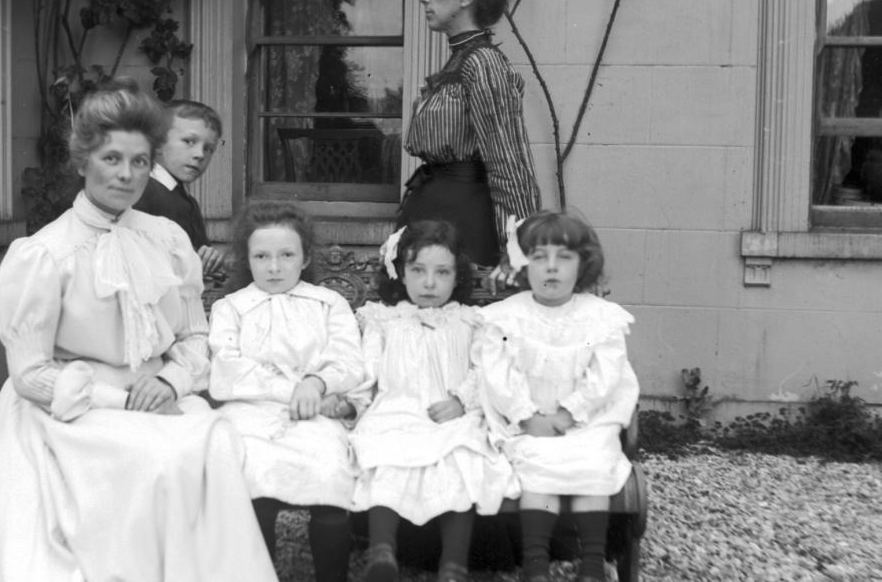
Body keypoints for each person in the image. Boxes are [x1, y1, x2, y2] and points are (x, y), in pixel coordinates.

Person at [0, 84, 276, 582]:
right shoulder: (44, 254)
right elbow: (29, 375)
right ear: (83, 162)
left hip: (157, 392)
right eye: (112, 158)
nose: (126, 175)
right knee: (158, 455)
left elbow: (193, 337)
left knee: (215, 443)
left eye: (140, 162)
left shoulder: (166, 240)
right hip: (68, 407)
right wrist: (120, 401)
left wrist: (170, 381)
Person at [346, 220, 518, 582]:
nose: (429, 283)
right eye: (418, 270)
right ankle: (382, 554)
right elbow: (365, 372)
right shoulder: (383, 320)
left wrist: (461, 400)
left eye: (442, 272)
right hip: (396, 409)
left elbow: (485, 369)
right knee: (384, 453)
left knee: (463, 457)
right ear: (400, 273)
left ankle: (453, 565)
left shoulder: (471, 320)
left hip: (451, 414)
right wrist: (350, 406)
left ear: (457, 277)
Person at [475, 210, 640, 582]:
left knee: (593, 464)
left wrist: (571, 413)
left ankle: (593, 563)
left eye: (563, 258)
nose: (552, 268)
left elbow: (606, 375)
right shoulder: (506, 318)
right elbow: (499, 374)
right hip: (529, 422)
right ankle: (536, 564)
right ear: (522, 266)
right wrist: (526, 415)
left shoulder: (600, 318)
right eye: (539, 257)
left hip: (586, 420)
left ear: (582, 266)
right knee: (539, 471)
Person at [208, 202, 369, 582]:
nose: (275, 267)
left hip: (315, 410)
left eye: (286, 255)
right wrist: (292, 389)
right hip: (250, 412)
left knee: (329, 476)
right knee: (252, 480)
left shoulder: (329, 304)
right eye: (262, 256)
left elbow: (348, 361)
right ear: (248, 260)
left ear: (305, 256)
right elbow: (229, 371)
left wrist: (316, 383)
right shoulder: (231, 308)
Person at [399, 0, 540, 290]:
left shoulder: (483, 63)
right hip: (433, 217)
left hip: (464, 225)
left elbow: (511, 166)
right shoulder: (460, 60)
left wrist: (518, 253)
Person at [133, 98, 226, 275]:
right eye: (189, 141)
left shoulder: (187, 202)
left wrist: (209, 259)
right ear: (157, 143)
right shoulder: (142, 192)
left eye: (208, 148)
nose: (199, 154)